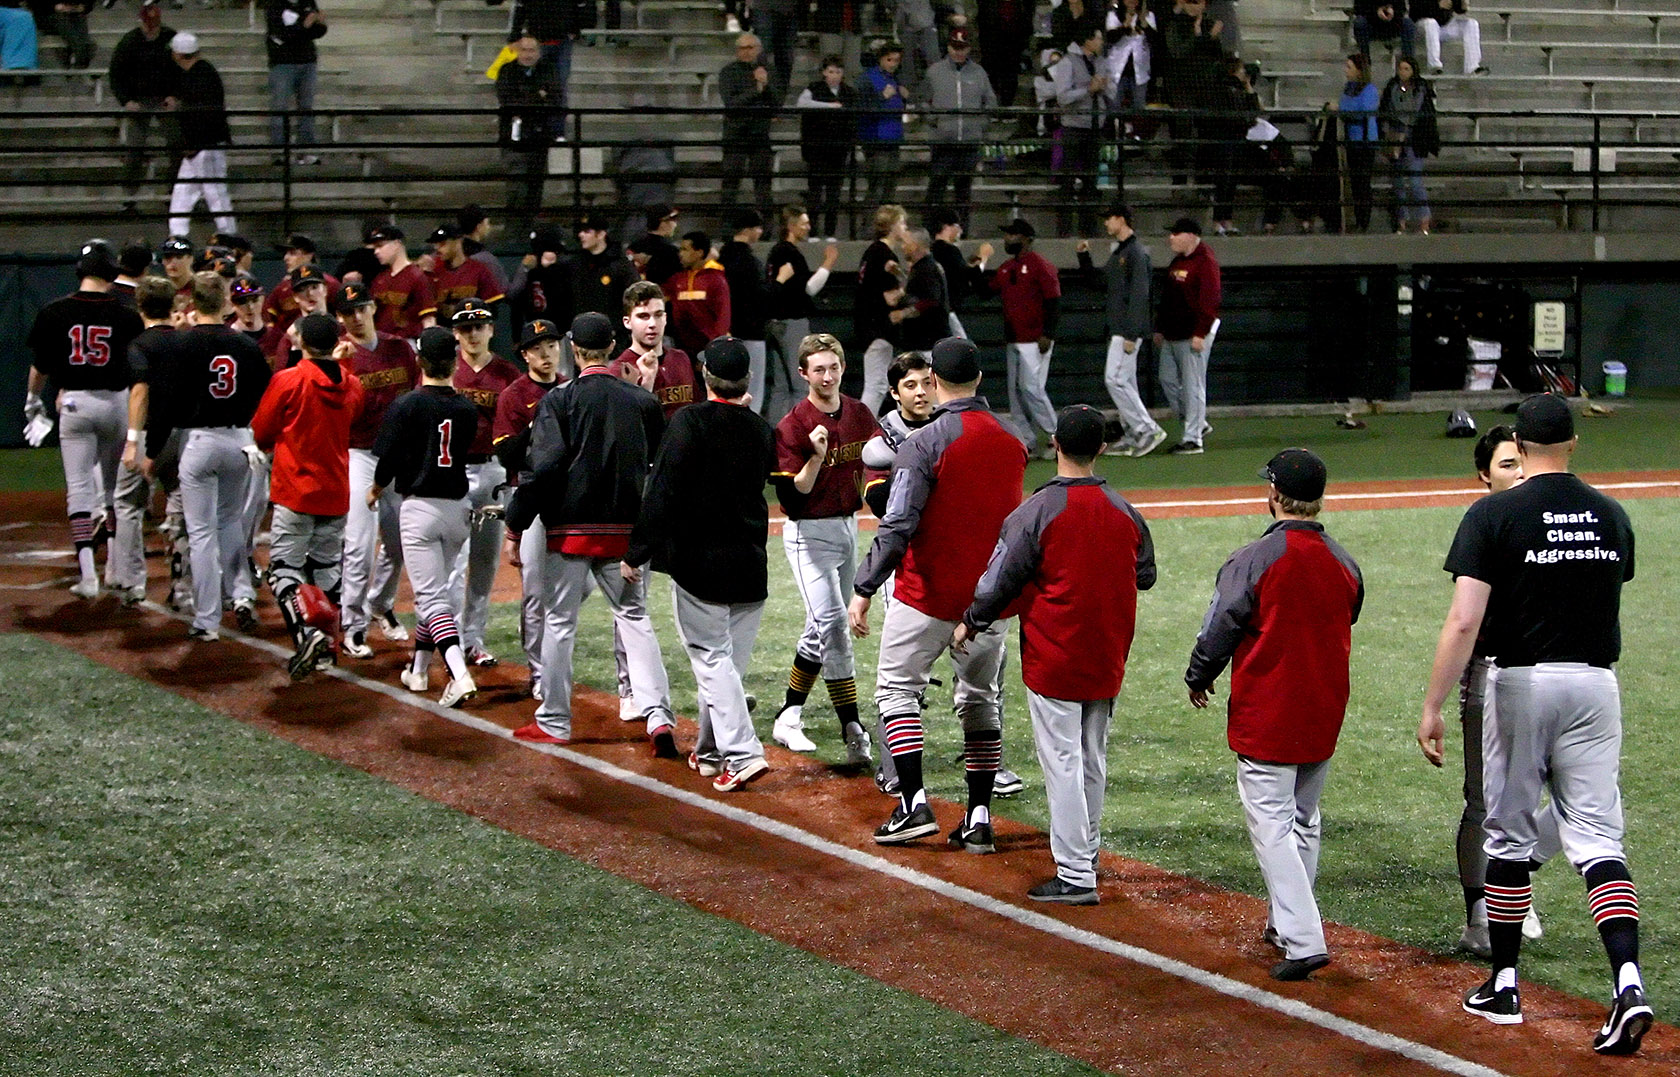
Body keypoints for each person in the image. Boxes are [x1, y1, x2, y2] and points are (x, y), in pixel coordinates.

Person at [1418, 395, 1650, 1054]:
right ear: (1574, 442)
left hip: (1520, 681)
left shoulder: (1493, 511)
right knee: (1601, 836)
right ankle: (1627, 981)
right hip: (1596, 683)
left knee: (1509, 831)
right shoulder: (1612, 514)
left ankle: (1505, 980)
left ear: (1519, 443)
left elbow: (1465, 620)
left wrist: (1433, 703)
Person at [959, 405, 1155, 903]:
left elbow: (999, 581)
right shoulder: (1125, 510)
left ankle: (1075, 873)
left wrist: (973, 620)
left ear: (1055, 444)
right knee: (1092, 757)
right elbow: (1145, 575)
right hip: (1107, 652)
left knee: (1063, 761)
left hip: (1055, 654)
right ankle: (1085, 855)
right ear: (1103, 449)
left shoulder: (1035, 511)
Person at [1185, 448, 1364, 980]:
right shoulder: (1343, 561)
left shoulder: (1255, 558)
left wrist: (1200, 672)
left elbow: (1221, 625)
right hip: (1324, 707)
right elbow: (1350, 611)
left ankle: (1304, 939)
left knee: (1272, 827)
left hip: (1270, 710)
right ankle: (1287, 923)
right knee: (1304, 820)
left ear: (1274, 495)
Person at [848, 337, 1027, 849]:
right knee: (980, 701)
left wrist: (864, 588)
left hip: (926, 594)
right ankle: (978, 816)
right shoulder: (1011, 439)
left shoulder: (924, 444)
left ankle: (912, 804)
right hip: (989, 601)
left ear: (934, 382)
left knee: (896, 692)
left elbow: (898, 524)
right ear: (979, 379)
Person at [507, 312, 675, 751]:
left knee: (560, 623)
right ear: (612, 344)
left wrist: (516, 522)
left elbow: (543, 469)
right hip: (626, 531)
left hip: (570, 531)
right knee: (635, 621)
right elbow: (660, 468)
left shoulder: (559, 400)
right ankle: (658, 717)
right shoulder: (641, 401)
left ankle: (555, 720)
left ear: (574, 350)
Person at [1419, 425, 1550, 957]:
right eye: (1505, 465)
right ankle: (1482, 910)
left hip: (1554, 681)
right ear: (1482, 476)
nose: (1517, 473)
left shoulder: (1552, 517)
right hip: (1491, 680)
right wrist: (1435, 703)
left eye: (1521, 461)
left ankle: (1515, 877)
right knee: (1484, 801)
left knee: (1575, 797)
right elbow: (1464, 622)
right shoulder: (1485, 524)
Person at [624, 336, 777, 790]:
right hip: (751, 567)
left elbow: (662, 492)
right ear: (747, 379)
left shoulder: (688, 421)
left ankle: (744, 753)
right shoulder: (762, 428)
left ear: (705, 376)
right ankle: (710, 753)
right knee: (725, 670)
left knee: (712, 662)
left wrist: (637, 552)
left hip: (702, 566)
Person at [769, 333, 881, 763]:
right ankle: (852, 725)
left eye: (834, 367)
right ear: (803, 374)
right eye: (819, 369)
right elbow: (793, 501)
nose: (828, 376)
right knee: (833, 624)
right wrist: (815, 457)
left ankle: (789, 714)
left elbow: (877, 464)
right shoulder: (793, 424)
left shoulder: (858, 412)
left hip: (848, 528)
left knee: (820, 627)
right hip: (807, 534)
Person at [142, 271, 272, 640]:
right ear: (227, 302)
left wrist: (152, 451)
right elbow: (265, 394)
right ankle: (243, 594)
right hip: (240, 440)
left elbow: (166, 405)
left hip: (199, 440)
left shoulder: (182, 345)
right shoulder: (247, 346)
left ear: (193, 303)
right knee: (230, 522)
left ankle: (207, 620)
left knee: (200, 533)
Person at [24, 240, 144, 599]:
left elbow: (40, 368)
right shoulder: (127, 314)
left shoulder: (54, 312)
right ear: (111, 270)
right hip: (117, 404)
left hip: (76, 404)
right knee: (113, 493)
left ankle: (89, 575)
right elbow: (139, 368)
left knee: (79, 490)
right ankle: (115, 570)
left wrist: (32, 400)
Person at [370, 328, 481, 708]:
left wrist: (374, 488)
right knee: (433, 595)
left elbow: (388, 457)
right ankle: (418, 670)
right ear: (455, 361)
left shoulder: (407, 404)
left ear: (419, 360)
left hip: (420, 508)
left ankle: (458, 673)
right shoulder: (466, 407)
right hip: (457, 510)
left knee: (431, 599)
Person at [249, 312, 362, 676]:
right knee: (327, 571)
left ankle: (305, 635)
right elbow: (348, 398)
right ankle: (329, 646)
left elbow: (262, 431)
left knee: (284, 570)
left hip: (296, 492)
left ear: (301, 341)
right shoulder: (353, 385)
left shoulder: (289, 379)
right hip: (336, 491)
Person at [334, 281, 420, 658]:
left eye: (362, 308)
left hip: (399, 456)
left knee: (401, 542)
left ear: (373, 308)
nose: (356, 316)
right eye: (348, 311)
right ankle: (351, 624)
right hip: (359, 455)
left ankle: (380, 602)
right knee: (358, 543)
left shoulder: (400, 348)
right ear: (340, 317)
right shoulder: (339, 354)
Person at [445, 299, 521, 667]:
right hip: (453, 471)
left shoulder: (507, 374)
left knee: (485, 562)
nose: (473, 334)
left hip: (492, 472)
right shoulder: (445, 368)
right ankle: (447, 640)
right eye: (465, 328)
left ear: (491, 329)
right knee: (453, 562)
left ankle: (472, 639)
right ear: (456, 333)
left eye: (479, 326)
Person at [492, 318, 564, 695]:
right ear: (524, 354)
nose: (547, 353)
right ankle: (538, 672)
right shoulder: (514, 395)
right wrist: (540, 426)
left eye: (551, 345)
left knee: (574, 587)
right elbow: (505, 452)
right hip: (530, 496)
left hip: (568, 499)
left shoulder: (570, 388)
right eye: (538, 348)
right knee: (536, 590)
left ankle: (552, 663)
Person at [110, 277, 179, 606]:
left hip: (152, 434)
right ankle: (186, 588)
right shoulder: (187, 342)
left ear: (140, 307)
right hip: (187, 436)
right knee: (186, 513)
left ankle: (131, 582)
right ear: (174, 305)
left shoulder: (139, 345)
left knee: (127, 505)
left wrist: (133, 441)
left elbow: (140, 391)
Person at [1078, 204, 1165, 457]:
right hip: (1119, 328)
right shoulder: (1121, 253)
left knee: (1114, 379)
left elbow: (1140, 295)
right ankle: (1133, 432)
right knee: (1125, 381)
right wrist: (1084, 258)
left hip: (1126, 330)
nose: (1106, 223)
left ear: (1121, 219)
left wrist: (1131, 333)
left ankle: (1147, 429)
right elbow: (1100, 282)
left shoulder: (1135, 253)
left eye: (1109, 218)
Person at [987, 218, 1061, 456]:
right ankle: (1026, 440)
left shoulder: (1040, 265)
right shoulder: (1007, 267)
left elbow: (1053, 300)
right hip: (1014, 339)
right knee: (1015, 393)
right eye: (1007, 234)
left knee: (1032, 389)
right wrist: (977, 265)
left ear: (1026, 239)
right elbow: (985, 290)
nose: (1007, 239)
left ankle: (1057, 437)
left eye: (1012, 235)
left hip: (1035, 339)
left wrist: (1048, 333)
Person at [764, 205, 840, 418]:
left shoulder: (775, 251)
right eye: (804, 223)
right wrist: (829, 263)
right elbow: (809, 289)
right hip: (792, 322)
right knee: (799, 384)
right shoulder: (789, 252)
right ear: (791, 226)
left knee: (780, 385)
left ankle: (776, 431)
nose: (808, 228)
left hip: (775, 322)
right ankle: (800, 430)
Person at [919, 27, 996, 233]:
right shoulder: (934, 71)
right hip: (943, 141)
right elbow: (923, 101)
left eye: (962, 48)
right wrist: (934, 120)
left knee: (963, 191)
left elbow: (990, 102)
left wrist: (979, 125)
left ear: (969, 48)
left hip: (969, 141)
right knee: (936, 187)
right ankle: (929, 230)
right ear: (948, 46)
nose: (958, 52)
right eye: (954, 47)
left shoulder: (979, 72)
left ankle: (962, 231)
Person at [1156, 217, 1220, 455]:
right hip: (1173, 333)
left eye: (1176, 233)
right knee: (1168, 380)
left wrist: (1201, 332)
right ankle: (1198, 423)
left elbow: (1210, 300)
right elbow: (1168, 298)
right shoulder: (1177, 262)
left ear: (1191, 236)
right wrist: (1160, 327)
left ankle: (1193, 438)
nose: (1171, 237)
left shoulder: (1205, 261)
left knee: (1193, 386)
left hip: (1193, 334)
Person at [166, 32, 235, 239]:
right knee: (183, 193)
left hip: (205, 145)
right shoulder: (202, 73)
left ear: (178, 54)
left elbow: (203, 113)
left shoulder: (198, 76)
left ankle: (230, 237)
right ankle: (177, 236)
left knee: (215, 193)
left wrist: (194, 143)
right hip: (200, 145)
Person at [110, 1, 179, 204]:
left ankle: (174, 190)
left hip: (164, 97)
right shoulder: (130, 41)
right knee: (135, 147)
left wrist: (174, 95)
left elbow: (179, 69)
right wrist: (127, 100)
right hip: (139, 98)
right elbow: (116, 74)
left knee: (176, 143)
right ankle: (129, 194)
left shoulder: (169, 38)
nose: (151, 30)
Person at [496, 34, 561, 230]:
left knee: (536, 185)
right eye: (524, 50)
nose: (528, 54)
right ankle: (514, 229)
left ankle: (531, 228)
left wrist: (526, 96)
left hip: (540, 136)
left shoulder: (548, 69)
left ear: (539, 52)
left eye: (532, 50)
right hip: (514, 139)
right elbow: (507, 99)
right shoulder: (507, 71)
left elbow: (554, 98)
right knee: (516, 187)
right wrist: (537, 94)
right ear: (517, 51)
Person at [612, 280, 703, 417]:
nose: (652, 324)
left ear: (665, 318)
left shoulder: (681, 358)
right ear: (627, 322)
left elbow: (696, 408)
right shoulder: (620, 371)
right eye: (643, 316)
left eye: (658, 315)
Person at [1050, 26, 1108, 236]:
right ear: (1088, 40)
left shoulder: (1101, 62)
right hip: (1073, 127)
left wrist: (1104, 87)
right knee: (1067, 180)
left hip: (1094, 127)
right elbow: (1062, 97)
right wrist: (1088, 90)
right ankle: (1064, 230)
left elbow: (1111, 91)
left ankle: (1089, 229)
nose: (1102, 42)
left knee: (1091, 181)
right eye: (1099, 38)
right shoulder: (1067, 62)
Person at [854, 204, 907, 412]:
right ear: (892, 226)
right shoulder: (885, 255)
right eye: (902, 223)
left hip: (867, 325)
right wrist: (907, 286)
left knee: (880, 385)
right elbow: (891, 299)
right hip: (878, 327)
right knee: (876, 386)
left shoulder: (872, 251)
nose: (905, 228)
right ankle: (861, 435)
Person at [796, 56, 856, 240]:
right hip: (815, 148)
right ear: (823, 72)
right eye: (831, 71)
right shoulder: (813, 88)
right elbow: (802, 104)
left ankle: (830, 231)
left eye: (838, 71)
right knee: (814, 190)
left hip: (838, 149)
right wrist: (830, 106)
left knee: (834, 192)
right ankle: (813, 231)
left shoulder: (849, 92)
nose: (835, 75)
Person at [718, 209, 770, 410]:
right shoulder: (751, 262)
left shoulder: (721, 259)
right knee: (752, 391)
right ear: (748, 230)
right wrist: (780, 280)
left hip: (725, 332)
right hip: (751, 332)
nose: (759, 232)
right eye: (757, 227)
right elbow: (761, 297)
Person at [718, 33, 776, 215]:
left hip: (760, 134)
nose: (746, 52)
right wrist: (756, 89)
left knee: (763, 185)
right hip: (735, 134)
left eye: (750, 47)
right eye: (742, 48)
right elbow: (731, 103)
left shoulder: (768, 71)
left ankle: (766, 230)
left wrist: (765, 85)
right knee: (730, 183)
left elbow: (776, 102)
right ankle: (727, 229)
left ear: (758, 50)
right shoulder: (728, 72)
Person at [1380, 55, 1438, 235]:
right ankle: (1401, 221)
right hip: (1395, 135)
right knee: (1397, 182)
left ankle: (1424, 220)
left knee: (1414, 181)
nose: (1402, 73)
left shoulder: (1421, 88)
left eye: (1406, 69)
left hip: (1414, 138)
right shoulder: (1392, 87)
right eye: (1400, 69)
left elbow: (1425, 115)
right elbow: (1384, 110)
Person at [264, 0, 327, 162]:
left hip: (307, 61)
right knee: (280, 108)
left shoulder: (307, 1)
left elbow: (316, 31)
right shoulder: (274, 5)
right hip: (283, 62)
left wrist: (320, 23)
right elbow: (280, 33)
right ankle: (279, 152)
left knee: (306, 108)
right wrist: (304, 26)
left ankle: (306, 150)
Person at [508, 0, 591, 115]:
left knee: (559, 85)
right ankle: (536, 121)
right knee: (536, 84)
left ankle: (557, 126)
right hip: (539, 39)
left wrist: (575, 29)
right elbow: (520, 7)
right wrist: (515, 34)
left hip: (561, 39)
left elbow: (579, 6)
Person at [662, 231, 731, 361]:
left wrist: (712, 351)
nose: (680, 254)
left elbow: (723, 317)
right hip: (682, 349)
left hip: (707, 349)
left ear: (699, 252)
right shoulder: (677, 280)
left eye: (685, 249)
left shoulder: (715, 279)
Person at [926, 208, 990, 340]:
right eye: (957, 225)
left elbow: (955, 272)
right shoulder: (949, 250)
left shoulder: (932, 249)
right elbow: (967, 276)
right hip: (946, 310)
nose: (960, 230)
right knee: (961, 347)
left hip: (935, 310)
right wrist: (983, 259)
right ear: (946, 227)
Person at [886, 227, 948, 362]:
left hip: (927, 342)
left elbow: (930, 301)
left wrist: (903, 314)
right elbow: (915, 289)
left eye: (905, 243)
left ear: (914, 246)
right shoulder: (921, 268)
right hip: (921, 341)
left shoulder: (927, 269)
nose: (902, 247)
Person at [427, 221, 505, 324]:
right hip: (442, 333)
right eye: (436, 244)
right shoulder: (433, 271)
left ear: (458, 241)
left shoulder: (478, 270)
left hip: (471, 330)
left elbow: (492, 309)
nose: (437, 248)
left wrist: (461, 312)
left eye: (442, 243)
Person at [1336, 52, 1380, 234]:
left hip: (1365, 141)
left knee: (1363, 183)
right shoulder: (1349, 88)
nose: (1346, 70)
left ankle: (1364, 221)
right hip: (1352, 140)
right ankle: (1359, 218)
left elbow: (1364, 111)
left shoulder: (1369, 90)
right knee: (1355, 183)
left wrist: (1341, 109)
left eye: (1349, 67)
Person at [857, 41, 905, 207]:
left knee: (889, 188)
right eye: (889, 60)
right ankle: (869, 229)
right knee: (877, 188)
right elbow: (862, 109)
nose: (893, 64)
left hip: (893, 139)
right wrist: (882, 97)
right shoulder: (866, 79)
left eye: (896, 61)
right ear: (881, 59)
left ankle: (886, 228)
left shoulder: (895, 80)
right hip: (875, 140)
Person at [368, 225, 437, 340]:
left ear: (396, 244)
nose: (376, 252)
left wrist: (428, 344)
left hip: (408, 342)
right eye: (375, 248)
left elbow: (428, 318)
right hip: (382, 342)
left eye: (380, 246)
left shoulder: (417, 276)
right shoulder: (380, 279)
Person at [265, 234, 339, 340]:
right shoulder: (281, 289)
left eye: (292, 253)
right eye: (286, 253)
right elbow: (269, 319)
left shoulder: (330, 284)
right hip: (292, 343)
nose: (286, 258)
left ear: (309, 255)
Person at [977, 0, 1034, 107]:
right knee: (992, 74)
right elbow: (982, 19)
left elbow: (1028, 17)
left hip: (1014, 41)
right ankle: (992, 108)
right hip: (991, 40)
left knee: (1010, 75)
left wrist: (1024, 42)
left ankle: (1007, 107)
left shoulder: (1022, 4)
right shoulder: (988, 5)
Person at [1412, 0, 1485, 76]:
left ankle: (1472, 67)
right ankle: (1435, 66)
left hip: (1444, 25)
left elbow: (1456, 9)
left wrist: (1462, 6)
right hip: (1423, 24)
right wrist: (1437, 5)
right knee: (1431, 23)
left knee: (1471, 23)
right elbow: (1414, 11)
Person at [628, 203, 682, 287]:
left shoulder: (634, 246)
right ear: (662, 222)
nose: (675, 224)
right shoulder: (671, 252)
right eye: (673, 219)